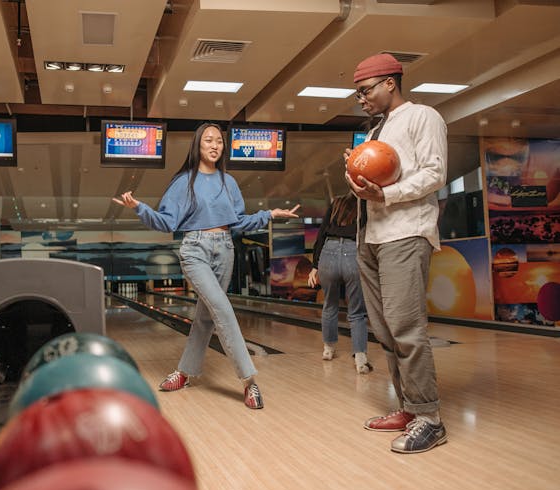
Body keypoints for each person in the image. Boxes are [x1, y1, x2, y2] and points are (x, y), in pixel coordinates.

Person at [113, 123, 300, 409]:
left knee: (206, 318)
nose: (215, 145)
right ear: (198, 145)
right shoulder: (184, 182)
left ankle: (185, 373)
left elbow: (238, 223)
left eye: (219, 142)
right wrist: (140, 208)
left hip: (225, 249)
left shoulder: (229, 182)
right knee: (222, 308)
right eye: (208, 140)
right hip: (195, 250)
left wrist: (268, 214)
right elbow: (166, 223)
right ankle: (249, 381)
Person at [344, 53, 448, 453]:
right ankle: (408, 407)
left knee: (406, 327)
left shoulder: (424, 117)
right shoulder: (375, 132)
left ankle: (430, 419)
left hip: (405, 234)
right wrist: (355, 173)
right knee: (386, 331)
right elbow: (370, 179)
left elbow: (434, 173)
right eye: (358, 94)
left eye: (365, 91)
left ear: (390, 83)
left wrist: (386, 193)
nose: (362, 99)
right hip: (371, 236)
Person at [307, 192, 371, 374]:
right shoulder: (365, 204)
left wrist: (314, 266)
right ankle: (360, 357)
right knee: (357, 311)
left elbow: (321, 234)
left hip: (329, 251)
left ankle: (328, 349)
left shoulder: (337, 202)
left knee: (329, 305)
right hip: (352, 252)